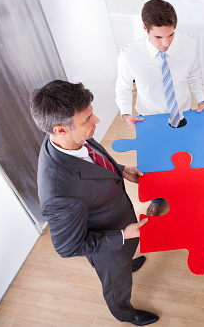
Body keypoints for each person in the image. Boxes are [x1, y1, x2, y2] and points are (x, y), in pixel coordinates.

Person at [31, 80, 159, 326]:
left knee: (124, 261)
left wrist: (120, 170)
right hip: (109, 250)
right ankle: (124, 312)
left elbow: (91, 163)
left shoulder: (68, 140)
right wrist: (122, 235)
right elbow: (68, 247)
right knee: (116, 281)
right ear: (60, 129)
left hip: (118, 221)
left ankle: (127, 262)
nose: (97, 120)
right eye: (88, 119)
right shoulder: (59, 194)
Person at [115, 0, 204, 216]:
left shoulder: (189, 45)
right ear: (145, 29)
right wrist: (126, 113)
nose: (165, 43)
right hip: (150, 119)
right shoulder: (129, 54)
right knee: (154, 165)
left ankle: (187, 192)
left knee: (186, 157)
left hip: (184, 114)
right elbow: (123, 87)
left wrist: (202, 100)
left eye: (170, 35)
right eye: (158, 37)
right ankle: (157, 199)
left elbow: (195, 77)